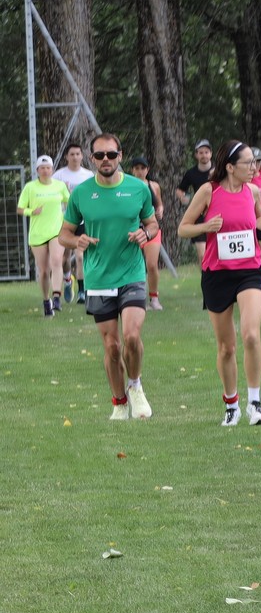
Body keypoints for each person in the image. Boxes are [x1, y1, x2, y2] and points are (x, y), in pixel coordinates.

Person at [179, 138, 261, 426]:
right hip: (217, 274)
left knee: (251, 335)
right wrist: (206, 226)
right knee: (227, 347)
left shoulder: (253, 191)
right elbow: (183, 228)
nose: (254, 167)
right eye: (249, 163)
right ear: (231, 167)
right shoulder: (208, 191)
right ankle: (231, 404)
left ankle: (255, 403)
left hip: (249, 271)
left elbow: (259, 218)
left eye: (255, 162)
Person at [60, 132, 158, 419]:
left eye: (111, 154)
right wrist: (76, 240)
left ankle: (135, 386)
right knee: (112, 347)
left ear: (120, 156)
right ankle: (119, 402)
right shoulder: (81, 193)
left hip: (132, 273)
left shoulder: (138, 189)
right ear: (92, 158)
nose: (106, 159)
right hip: (98, 277)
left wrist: (146, 233)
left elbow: (152, 223)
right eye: (100, 155)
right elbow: (64, 234)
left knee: (132, 336)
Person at [125, 152, 177, 309]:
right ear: (132, 170)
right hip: (132, 231)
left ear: (147, 170)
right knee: (131, 266)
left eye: (143, 168)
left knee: (152, 265)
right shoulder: (127, 186)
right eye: (136, 168)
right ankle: (133, 297)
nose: (140, 171)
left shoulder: (153, 186)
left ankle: (154, 298)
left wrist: (160, 210)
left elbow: (159, 204)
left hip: (151, 230)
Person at [17, 155, 68, 316]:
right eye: (42, 168)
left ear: (52, 169)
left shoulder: (60, 186)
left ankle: (57, 297)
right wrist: (32, 211)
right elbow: (20, 209)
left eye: (48, 168)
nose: (45, 171)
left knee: (57, 260)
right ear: (37, 170)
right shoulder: (30, 187)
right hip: (38, 234)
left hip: (56, 231)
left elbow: (70, 201)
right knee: (44, 270)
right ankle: (47, 300)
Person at [56, 143, 94, 302]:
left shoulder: (89, 175)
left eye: (78, 154)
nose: (75, 157)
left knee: (80, 257)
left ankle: (82, 292)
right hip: (64, 220)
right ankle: (67, 280)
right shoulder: (58, 176)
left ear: (82, 156)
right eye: (72, 154)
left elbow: (94, 195)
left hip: (82, 220)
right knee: (64, 259)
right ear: (66, 157)